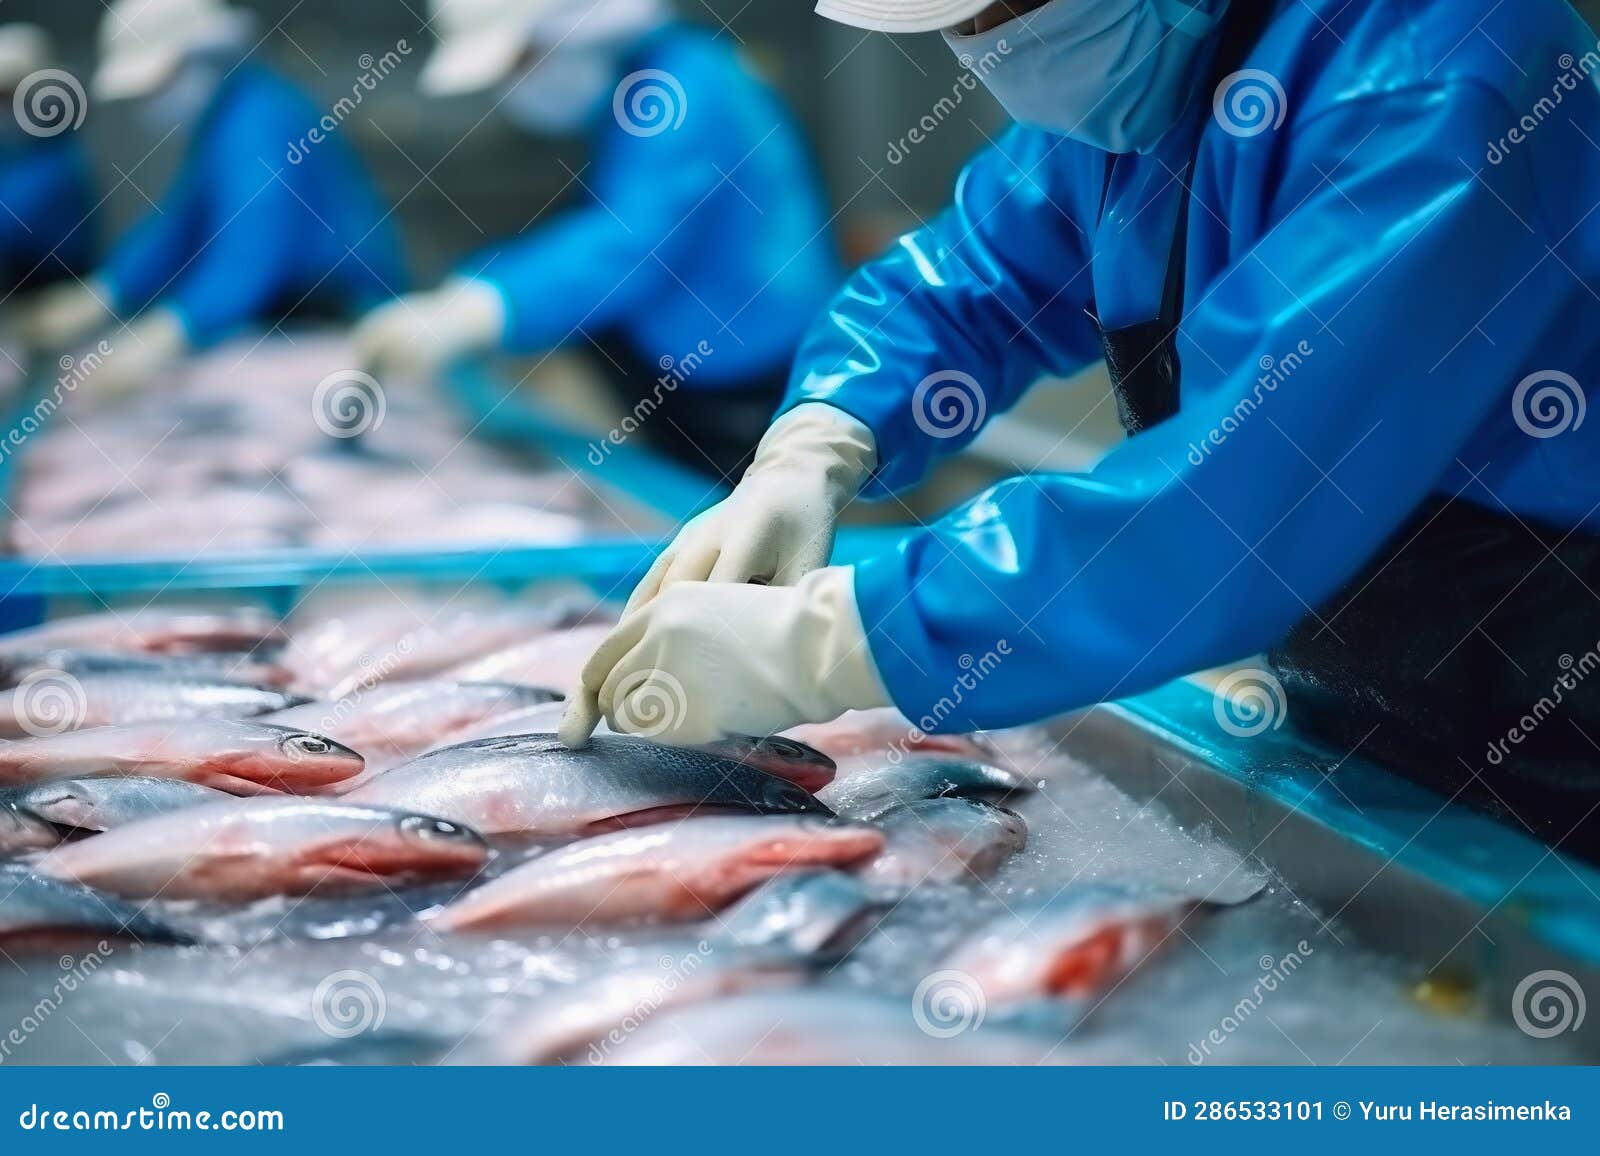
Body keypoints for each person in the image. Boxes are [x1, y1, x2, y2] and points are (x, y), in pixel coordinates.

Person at [563, 0, 1600, 849]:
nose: (985, 46)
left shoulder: (1430, 71)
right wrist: (818, 439)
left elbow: (1235, 502)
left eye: (1009, 9)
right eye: (965, 23)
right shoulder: (1153, 80)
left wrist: (846, 636)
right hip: (1366, 689)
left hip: (1548, 687)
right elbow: (966, 278)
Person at [351, 0, 840, 479]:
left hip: (744, 382)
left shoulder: (684, 84)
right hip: (688, 362)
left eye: (523, 60)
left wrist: (484, 305)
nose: (513, 88)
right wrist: (473, 290)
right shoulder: (641, 80)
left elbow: (631, 243)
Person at [11, 0, 404, 397]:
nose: (147, 101)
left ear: (202, 57)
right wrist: (105, 292)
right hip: (289, 321)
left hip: (336, 316)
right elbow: (180, 225)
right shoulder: (222, 122)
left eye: (154, 83)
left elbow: (253, 250)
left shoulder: (260, 122)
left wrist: (174, 328)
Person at [0, 25, 95, 299]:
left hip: (59, 293)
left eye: (7, 96)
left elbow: (13, 221)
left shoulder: (60, 164)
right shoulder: (12, 155)